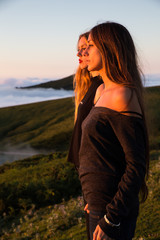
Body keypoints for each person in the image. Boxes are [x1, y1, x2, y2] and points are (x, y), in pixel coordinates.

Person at [79, 21, 149, 240]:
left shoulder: (122, 95)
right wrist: (92, 197)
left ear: (109, 48)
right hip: (98, 202)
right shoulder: (101, 91)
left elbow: (136, 165)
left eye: (90, 45)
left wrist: (111, 217)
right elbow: (103, 153)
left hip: (112, 209)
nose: (84, 51)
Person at [67, 31, 103, 240]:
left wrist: (95, 192)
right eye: (79, 49)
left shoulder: (102, 88)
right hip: (87, 172)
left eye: (86, 47)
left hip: (96, 177)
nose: (81, 53)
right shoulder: (86, 83)